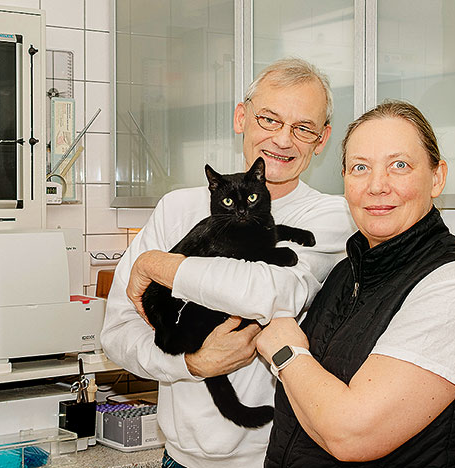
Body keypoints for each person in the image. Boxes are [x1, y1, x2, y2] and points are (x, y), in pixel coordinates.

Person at [100, 58, 356, 468]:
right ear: (242, 117)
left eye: (303, 128)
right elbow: (117, 332)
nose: (283, 140)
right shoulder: (176, 208)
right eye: (269, 119)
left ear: (322, 139)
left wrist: (157, 266)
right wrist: (189, 363)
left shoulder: (331, 216)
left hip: (275, 459)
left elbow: (268, 292)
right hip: (179, 459)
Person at [257, 100, 455, 466]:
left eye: (399, 166)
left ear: (436, 177)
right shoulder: (346, 273)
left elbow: (352, 434)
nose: (377, 186)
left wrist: (285, 350)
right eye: (360, 167)